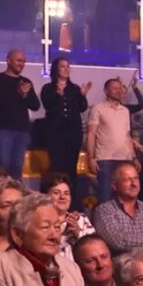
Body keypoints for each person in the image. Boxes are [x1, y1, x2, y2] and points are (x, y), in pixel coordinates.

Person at [40, 58, 92, 205]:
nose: (66, 69)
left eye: (68, 66)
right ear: (56, 69)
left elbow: (82, 107)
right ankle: (52, 200)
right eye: (63, 66)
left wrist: (82, 95)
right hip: (55, 133)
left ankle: (71, 202)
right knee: (56, 166)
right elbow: (47, 105)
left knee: (71, 167)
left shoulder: (74, 88)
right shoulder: (48, 88)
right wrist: (58, 95)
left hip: (73, 132)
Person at [0, 50, 42, 179]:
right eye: (18, 60)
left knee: (17, 166)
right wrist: (18, 93)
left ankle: (16, 191)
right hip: (4, 129)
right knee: (3, 165)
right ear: (8, 61)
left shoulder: (26, 82)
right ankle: (1, 191)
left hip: (23, 130)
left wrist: (25, 95)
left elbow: (35, 105)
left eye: (23, 61)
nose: (21, 64)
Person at [43, 172, 95, 262]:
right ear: (46, 196)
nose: (62, 197)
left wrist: (78, 234)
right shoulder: (40, 222)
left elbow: (94, 249)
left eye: (66, 193)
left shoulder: (81, 220)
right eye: (56, 193)